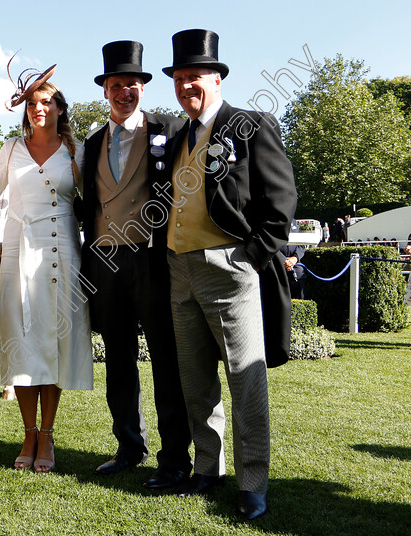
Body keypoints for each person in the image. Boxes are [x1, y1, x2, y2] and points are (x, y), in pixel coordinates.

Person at [161, 29, 296, 520]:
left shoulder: (252, 125)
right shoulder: (178, 138)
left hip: (230, 268)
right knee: (196, 382)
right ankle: (207, 468)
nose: (185, 86)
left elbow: (280, 203)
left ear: (216, 78)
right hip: (180, 271)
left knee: (245, 381)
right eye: (178, 78)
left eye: (194, 77)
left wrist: (251, 257)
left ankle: (253, 481)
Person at [80, 41, 192, 489]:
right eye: (115, 84)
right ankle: (129, 446)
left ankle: (174, 458)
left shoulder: (172, 128)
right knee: (118, 360)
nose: (124, 91)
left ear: (143, 88)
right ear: (105, 90)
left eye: (131, 83)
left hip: (152, 259)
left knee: (166, 360)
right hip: (105, 262)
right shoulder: (92, 140)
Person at [0, 65, 93, 473]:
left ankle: (47, 436)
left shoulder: (77, 151)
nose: (39, 108)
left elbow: (99, 202)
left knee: (54, 342)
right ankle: (27, 432)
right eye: (33, 103)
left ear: (60, 109)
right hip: (18, 252)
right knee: (22, 340)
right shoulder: (11, 148)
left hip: (62, 252)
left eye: (47, 102)